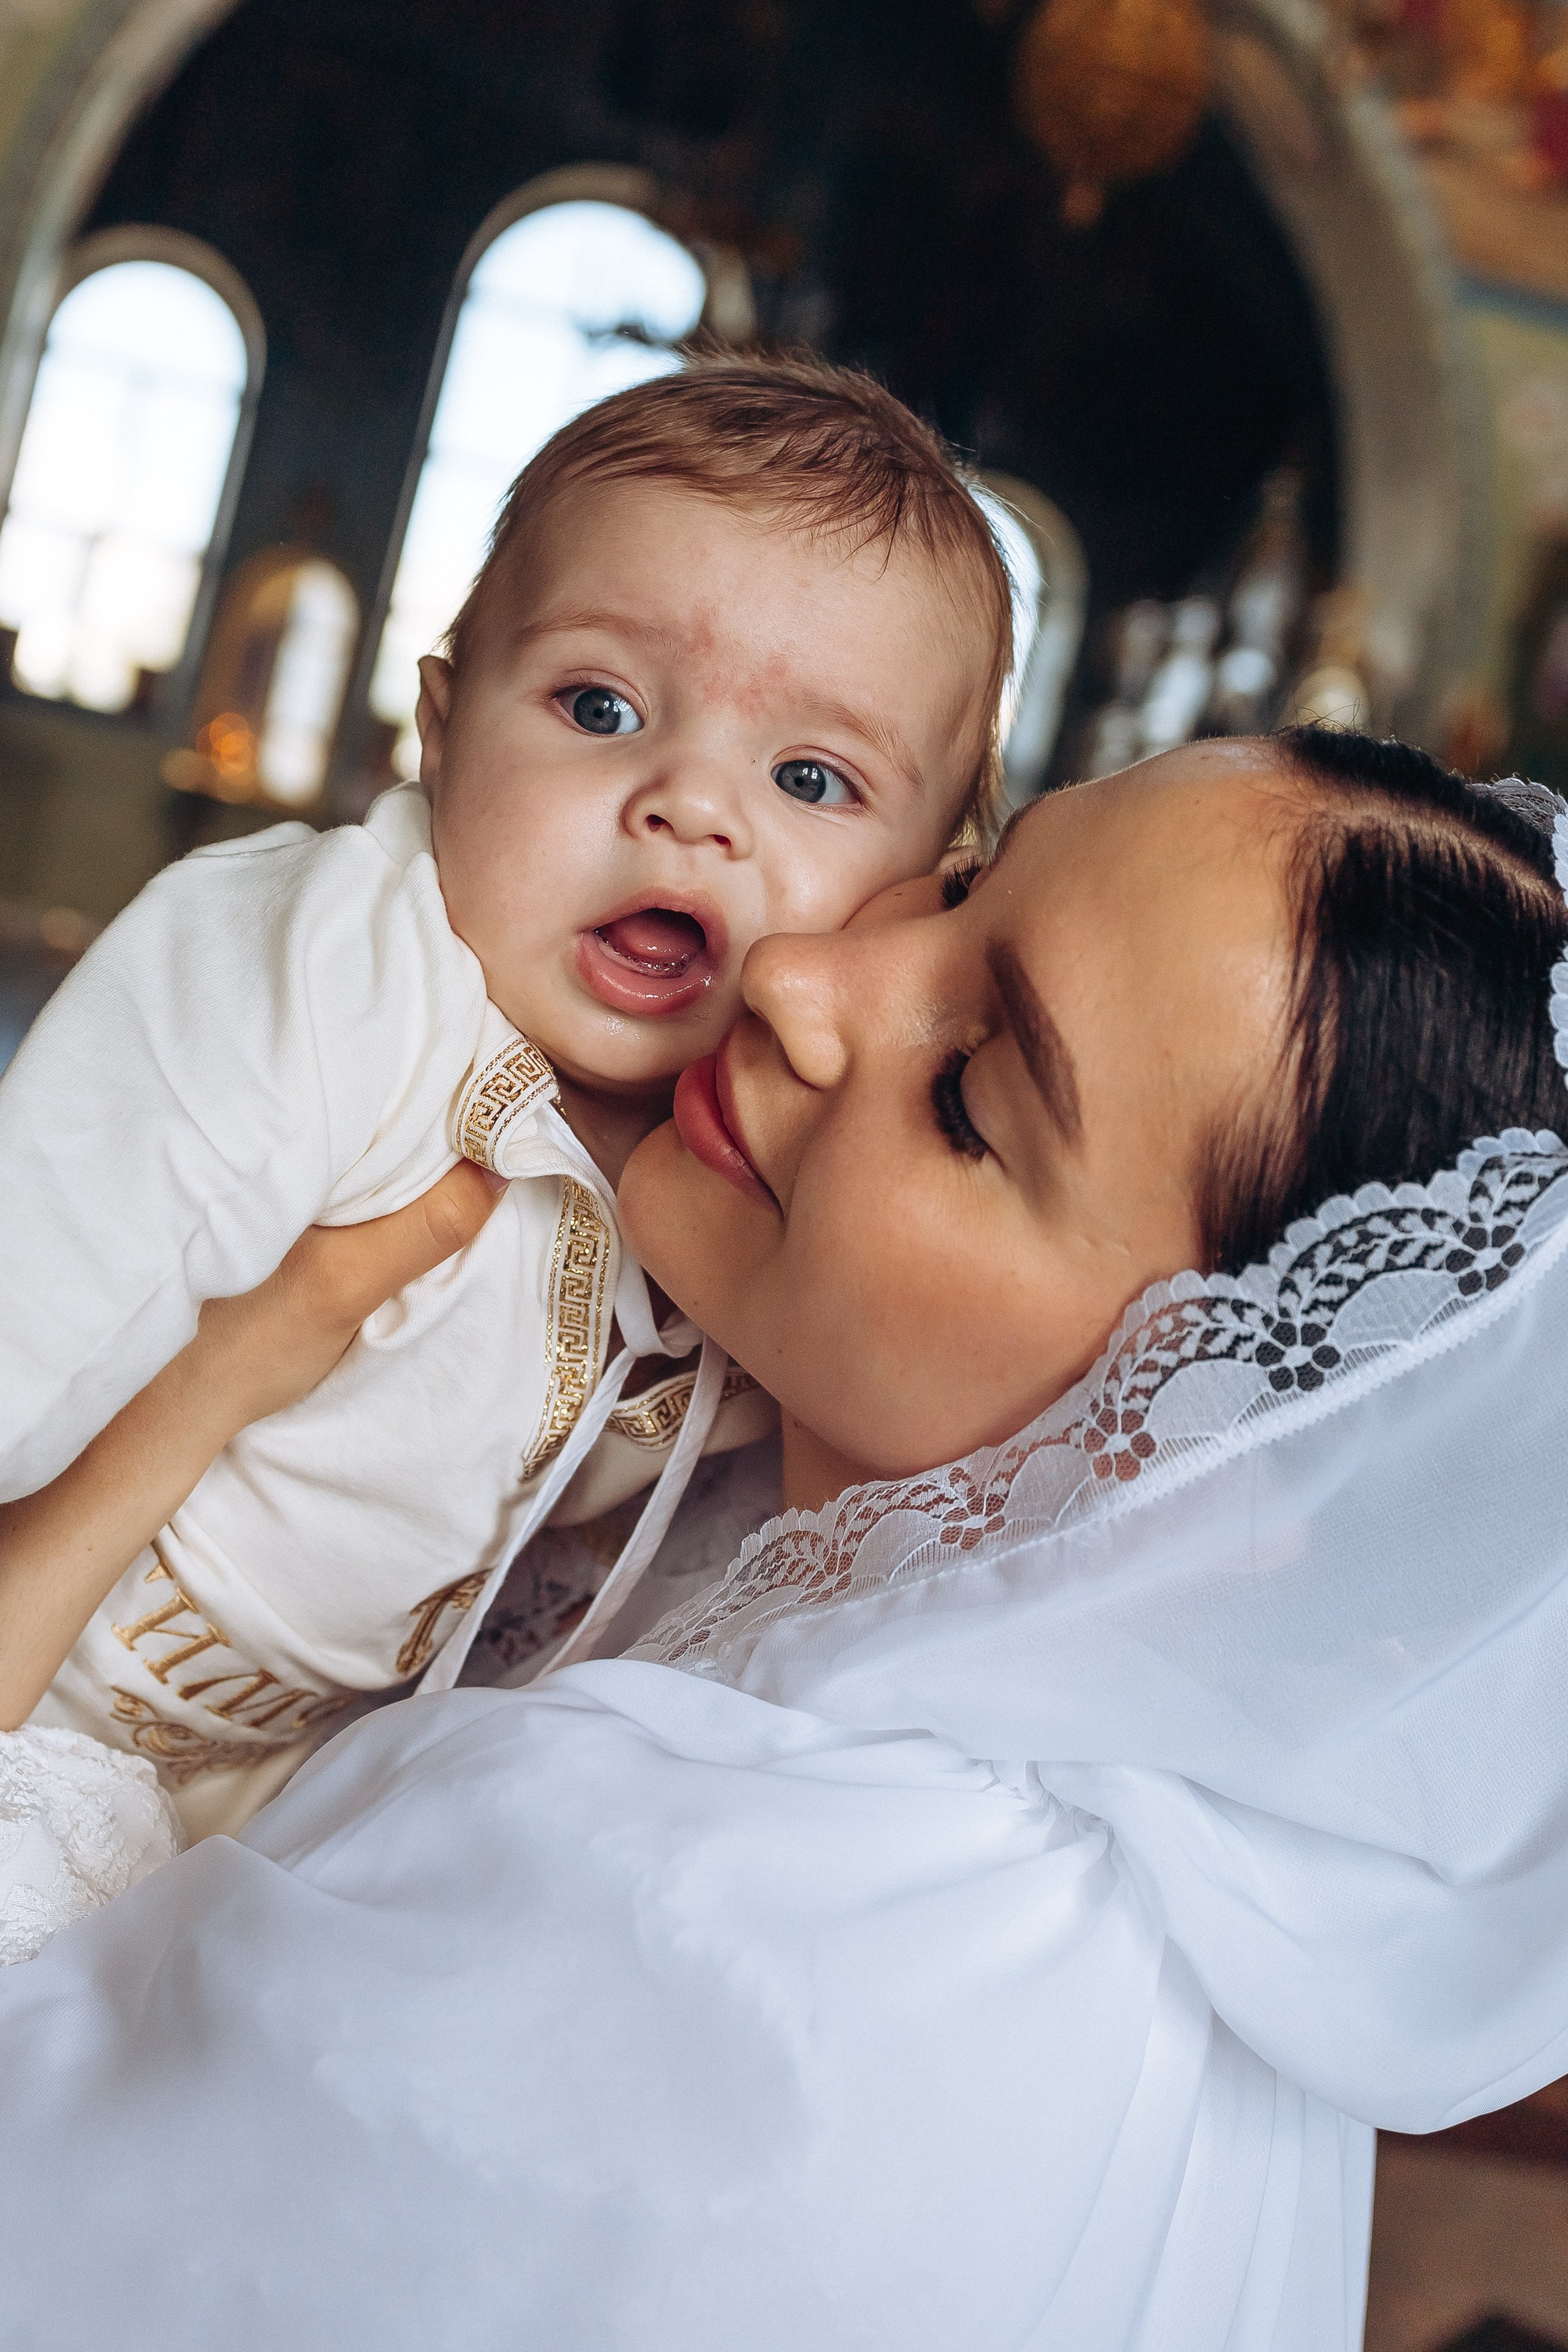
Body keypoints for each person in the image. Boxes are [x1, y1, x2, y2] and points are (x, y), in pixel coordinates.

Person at [5, 728, 1568, 2352]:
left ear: (1225, 1454)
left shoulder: (701, 1920)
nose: (807, 978)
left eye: (967, 1096)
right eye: (964, 878)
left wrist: (223, 1382)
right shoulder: (1119, 1845)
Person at [0, 358, 1013, 1840]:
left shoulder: (791, 1181)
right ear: (442, 723)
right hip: (48, 1685)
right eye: (599, 704)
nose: (690, 800)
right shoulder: (328, 972)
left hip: (277, 1796)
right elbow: (49, 1276)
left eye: (810, 777)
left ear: (931, 878)